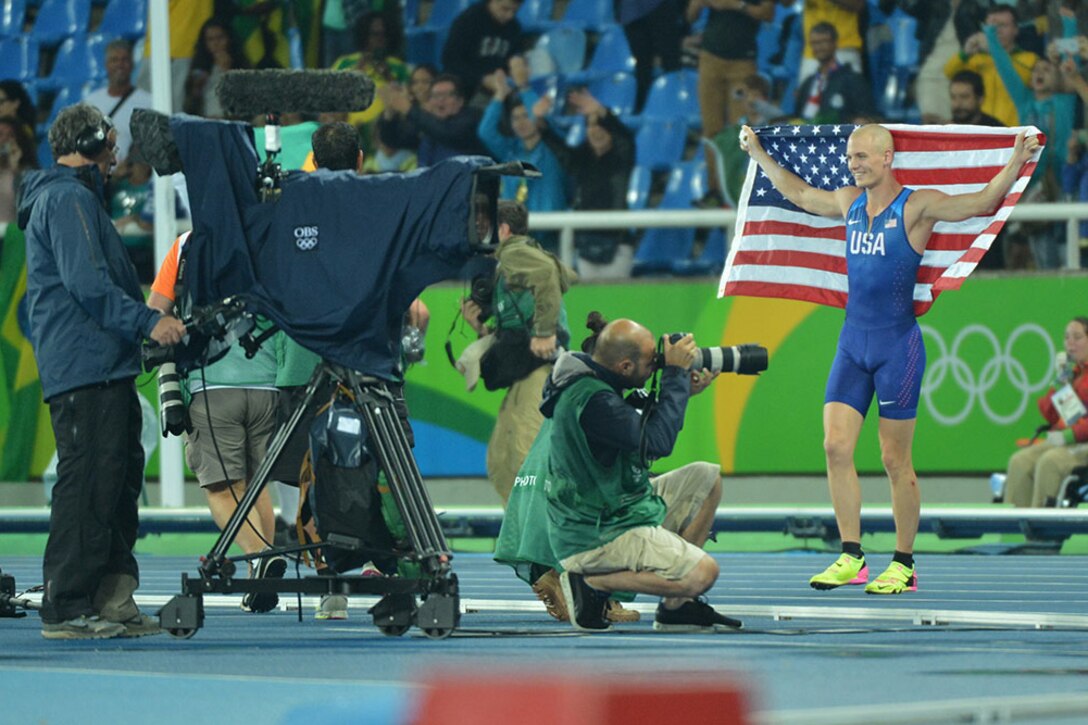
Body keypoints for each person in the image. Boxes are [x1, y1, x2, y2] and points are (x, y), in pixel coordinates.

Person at [739, 122, 1041, 594]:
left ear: (887, 158)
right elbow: (798, 193)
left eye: (861, 156)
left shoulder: (917, 206)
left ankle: (903, 563)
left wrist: (1016, 162)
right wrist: (758, 153)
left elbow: (980, 203)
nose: (853, 164)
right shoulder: (848, 203)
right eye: (850, 157)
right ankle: (851, 555)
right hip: (852, 344)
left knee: (894, 459)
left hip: (897, 347)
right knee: (835, 447)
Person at [18, 102, 186, 639]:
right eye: (110, 143)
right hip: (84, 369)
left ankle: (112, 597)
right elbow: (89, 285)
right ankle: (66, 605)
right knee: (89, 486)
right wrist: (147, 323)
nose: (117, 155)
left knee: (115, 485)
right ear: (87, 140)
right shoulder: (67, 198)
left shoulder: (77, 199)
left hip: (100, 367)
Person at [539, 319, 739, 633]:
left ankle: (677, 608)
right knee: (701, 575)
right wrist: (674, 377)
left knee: (705, 477)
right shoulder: (593, 400)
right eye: (651, 362)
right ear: (625, 365)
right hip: (596, 532)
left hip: (614, 507)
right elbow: (657, 442)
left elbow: (633, 423)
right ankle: (590, 582)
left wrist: (682, 390)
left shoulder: (591, 382)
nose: (656, 366)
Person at [148, 235, 284, 614]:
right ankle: (260, 582)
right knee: (256, 486)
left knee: (221, 490)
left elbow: (156, 313)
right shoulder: (263, 233)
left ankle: (260, 556)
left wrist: (168, 384)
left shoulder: (186, 245)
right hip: (267, 380)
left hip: (214, 383)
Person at [460, 201, 576, 506]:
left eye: (486, 227)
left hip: (539, 371)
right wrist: (482, 331)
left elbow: (548, 275)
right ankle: (521, 529)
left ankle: (543, 535)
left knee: (526, 456)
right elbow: (514, 328)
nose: (480, 233)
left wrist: (544, 332)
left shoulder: (514, 252)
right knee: (501, 459)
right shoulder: (509, 261)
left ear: (504, 229)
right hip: (525, 370)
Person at [537, 88, 636, 278]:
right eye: (590, 126)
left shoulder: (622, 157)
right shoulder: (581, 160)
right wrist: (541, 123)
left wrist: (603, 113)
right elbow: (561, 151)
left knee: (618, 304)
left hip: (617, 245)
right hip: (586, 244)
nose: (595, 131)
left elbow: (626, 139)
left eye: (601, 126)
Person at [688, 0, 776, 208]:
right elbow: (691, 15)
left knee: (742, 130)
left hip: (742, 60)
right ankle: (715, 191)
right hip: (710, 56)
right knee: (711, 130)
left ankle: (741, 188)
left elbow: (768, 13)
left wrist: (736, 5)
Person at [1004, 317, 1088, 508]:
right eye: (1067, 338)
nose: (1070, 343)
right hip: (1067, 442)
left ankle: (1041, 529)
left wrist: (1068, 435)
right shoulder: (1072, 373)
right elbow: (1051, 415)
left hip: (1082, 443)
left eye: (1077, 337)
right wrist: (1061, 381)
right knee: (1020, 461)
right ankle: (1013, 527)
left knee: (1049, 462)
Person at [944, 4, 1038, 128]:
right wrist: (964, 53)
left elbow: (1018, 78)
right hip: (983, 130)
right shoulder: (978, 59)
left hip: (1012, 131)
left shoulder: (1030, 59)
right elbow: (949, 72)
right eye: (991, 27)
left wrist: (995, 50)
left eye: (1002, 25)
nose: (996, 31)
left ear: (1016, 29)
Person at [377, 73, 489, 167]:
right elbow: (392, 140)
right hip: (430, 189)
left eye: (446, 95)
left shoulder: (472, 117)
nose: (440, 100)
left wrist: (408, 109)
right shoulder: (428, 124)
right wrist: (389, 114)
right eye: (435, 96)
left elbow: (447, 133)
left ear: (460, 101)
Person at [441, 0, 525, 103]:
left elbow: (515, 55)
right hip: (465, 89)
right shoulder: (469, 20)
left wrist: (517, 65)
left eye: (514, 12)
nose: (509, 16)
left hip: (498, 88)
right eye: (505, 9)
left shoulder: (514, 28)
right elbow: (451, 61)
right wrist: (482, 79)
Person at [84, 40, 153, 164]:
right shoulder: (91, 102)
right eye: (114, 60)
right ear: (106, 65)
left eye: (124, 60)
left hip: (130, 176)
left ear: (132, 65)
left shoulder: (147, 102)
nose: (120, 65)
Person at [795, 22, 875, 124]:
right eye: (814, 43)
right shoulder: (808, 83)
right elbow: (797, 118)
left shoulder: (852, 80)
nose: (819, 47)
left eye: (823, 42)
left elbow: (867, 117)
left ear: (834, 43)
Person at [183, 17, 250, 118]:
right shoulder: (199, 66)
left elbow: (247, 99)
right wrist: (196, 89)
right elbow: (189, 106)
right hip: (206, 121)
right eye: (210, 40)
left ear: (229, 38)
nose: (216, 43)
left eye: (220, 38)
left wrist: (227, 72)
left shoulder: (241, 64)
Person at [0, 115, 39, 227]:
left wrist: (15, 170)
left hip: (14, 237)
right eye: (0, 134)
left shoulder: (26, 172)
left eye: (10, 135)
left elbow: (27, 207)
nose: (4, 140)